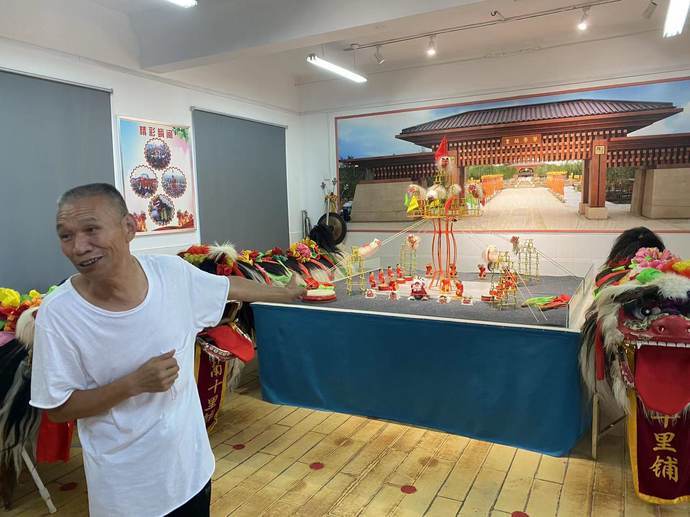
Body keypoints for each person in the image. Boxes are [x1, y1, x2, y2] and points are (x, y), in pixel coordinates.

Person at [29, 183, 305, 517]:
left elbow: (226, 286)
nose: (79, 247)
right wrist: (133, 384)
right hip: (127, 495)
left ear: (129, 227)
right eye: (66, 236)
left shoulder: (171, 275)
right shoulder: (59, 314)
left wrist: (286, 293)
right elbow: (58, 409)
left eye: (91, 230)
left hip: (192, 473)